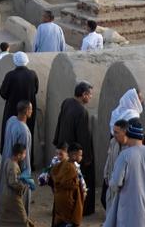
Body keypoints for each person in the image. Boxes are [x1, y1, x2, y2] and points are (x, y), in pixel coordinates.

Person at [53, 82, 96, 216]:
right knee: (79, 183)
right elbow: (84, 137)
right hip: (75, 154)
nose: (90, 97)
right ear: (83, 95)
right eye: (89, 95)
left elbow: (59, 123)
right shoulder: (82, 111)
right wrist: (87, 157)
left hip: (64, 150)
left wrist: (57, 142)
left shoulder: (67, 103)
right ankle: (82, 210)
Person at [0, 102, 35, 221]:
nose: (32, 112)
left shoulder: (11, 120)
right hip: (17, 170)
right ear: (26, 111)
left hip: (6, 164)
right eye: (31, 109)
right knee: (19, 205)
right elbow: (24, 157)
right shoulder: (24, 131)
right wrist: (26, 177)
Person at [0, 52, 39, 145]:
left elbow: (3, 93)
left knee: (10, 137)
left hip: (12, 111)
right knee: (27, 138)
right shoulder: (33, 74)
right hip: (28, 112)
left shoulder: (10, 75)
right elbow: (36, 90)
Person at [0, 142, 34, 226]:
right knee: (22, 217)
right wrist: (24, 184)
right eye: (24, 154)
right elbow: (13, 182)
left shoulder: (8, 161)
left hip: (6, 195)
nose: (25, 156)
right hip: (12, 197)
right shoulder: (13, 165)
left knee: (9, 217)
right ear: (19, 155)